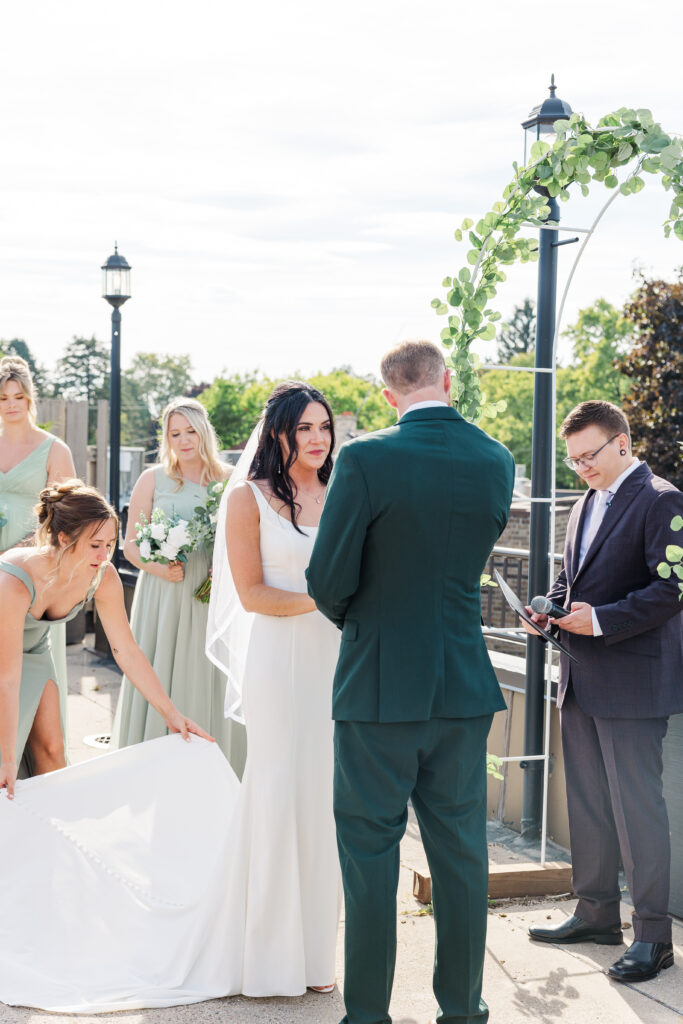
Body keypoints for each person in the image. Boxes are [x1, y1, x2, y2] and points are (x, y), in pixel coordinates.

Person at [307, 340, 515, 1024]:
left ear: (389, 393)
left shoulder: (366, 456)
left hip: (376, 684)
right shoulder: (495, 459)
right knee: (460, 854)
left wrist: (363, 625)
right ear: (445, 381)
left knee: (369, 851)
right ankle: (462, 1010)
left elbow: (327, 579)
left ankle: (366, 1014)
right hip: (462, 683)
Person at [524, 400, 683, 983]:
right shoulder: (583, 502)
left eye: (589, 455)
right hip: (580, 677)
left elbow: (673, 589)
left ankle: (654, 939)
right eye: (573, 460)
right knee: (588, 805)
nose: (581, 467)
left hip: (634, 682)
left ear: (622, 443)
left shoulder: (662, 499)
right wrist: (550, 609)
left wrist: (603, 620)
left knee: (638, 811)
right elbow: (573, 580)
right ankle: (595, 916)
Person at [206, 380, 342, 996]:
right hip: (279, 662)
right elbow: (254, 594)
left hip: (337, 662)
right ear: (278, 433)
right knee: (279, 793)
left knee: (324, 802)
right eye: (304, 428)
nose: (317, 439)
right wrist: (332, 600)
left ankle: (315, 959)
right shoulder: (247, 500)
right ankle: (266, 958)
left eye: (325, 427)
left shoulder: (343, 491)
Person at [0, 480, 212, 799]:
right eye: (95, 544)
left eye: (110, 543)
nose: (104, 554)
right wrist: (6, 757)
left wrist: (172, 714)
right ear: (64, 538)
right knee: (7, 759)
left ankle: (53, 836)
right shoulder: (14, 580)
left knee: (53, 749)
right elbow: (7, 679)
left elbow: (126, 650)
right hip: (4, 661)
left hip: (35, 650)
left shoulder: (103, 576)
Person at [111, 397, 246, 777]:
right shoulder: (152, 479)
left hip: (213, 593)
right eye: (175, 433)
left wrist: (228, 567)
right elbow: (130, 547)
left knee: (210, 672)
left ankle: (218, 768)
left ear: (205, 432)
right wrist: (158, 567)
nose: (184, 440)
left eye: (190, 431)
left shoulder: (232, 478)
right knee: (165, 670)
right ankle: (156, 767)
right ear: (166, 438)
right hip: (165, 593)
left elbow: (249, 537)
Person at [0, 355, 76, 776]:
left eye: (18, 396)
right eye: (3, 398)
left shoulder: (54, 449)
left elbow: (66, 519)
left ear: (30, 398)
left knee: (29, 684)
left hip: (30, 573)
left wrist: (16, 556)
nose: (11, 404)